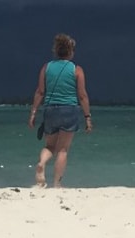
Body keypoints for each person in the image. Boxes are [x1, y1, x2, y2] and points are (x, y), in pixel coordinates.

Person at [28, 33, 92, 188]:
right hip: (69, 110)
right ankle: (57, 184)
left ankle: (42, 163)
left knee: (49, 146)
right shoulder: (76, 70)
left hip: (50, 109)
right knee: (62, 150)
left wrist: (33, 113)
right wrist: (87, 117)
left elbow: (40, 92)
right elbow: (82, 95)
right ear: (70, 52)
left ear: (56, 51)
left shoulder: (47, 67)